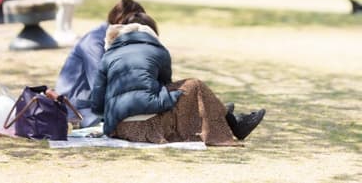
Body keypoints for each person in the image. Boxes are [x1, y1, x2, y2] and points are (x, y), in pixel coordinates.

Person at [91, 12, 266, 146]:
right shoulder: (159, 51)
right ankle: (231, 121)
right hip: (147, 127)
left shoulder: (108, 56)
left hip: (119, 129)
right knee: (194, 85)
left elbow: (97, 105)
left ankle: (222, 113)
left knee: (178, 94)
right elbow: (167, 87)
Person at [55, 0, 146, 127]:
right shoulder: (94, 42)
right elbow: (100, 84)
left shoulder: (117, 39)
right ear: (120, 22)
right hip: (77, 108)